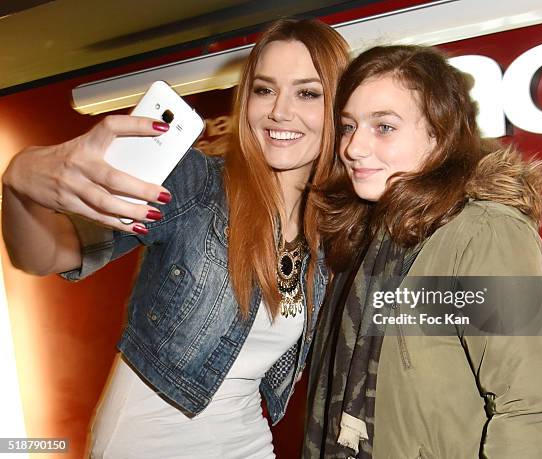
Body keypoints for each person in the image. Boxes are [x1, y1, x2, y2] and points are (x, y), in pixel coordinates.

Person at [2, 19, 349, 458]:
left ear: (338, 108)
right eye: (264, 90)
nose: (280, 111)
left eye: (307, 93)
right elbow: (44, 256)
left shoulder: (333, 227)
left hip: (246, 440)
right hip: (147, 444)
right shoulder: (197, 184)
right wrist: (17, 184)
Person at [303, 45, 542, 458]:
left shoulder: (485, 235)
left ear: (439, 132)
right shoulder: (365, 236)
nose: (354, 147)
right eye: (348, 126)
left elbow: (530, 413)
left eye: (384, 127)